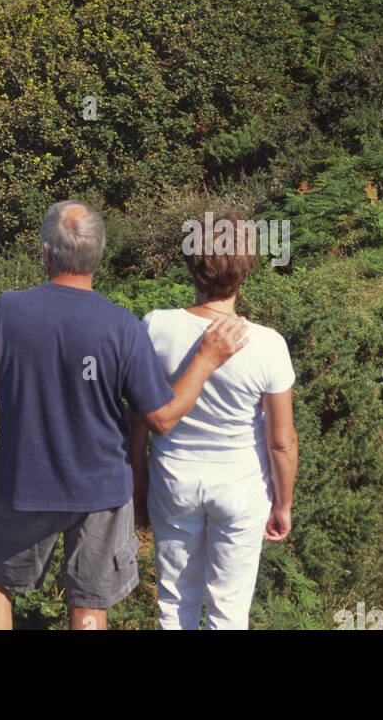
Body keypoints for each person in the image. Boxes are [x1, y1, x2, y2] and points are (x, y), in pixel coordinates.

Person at [0, 199, 249, 631]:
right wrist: (207, 359)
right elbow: (163, 418)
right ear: (98, 257)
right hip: (100, 489)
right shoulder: (122, 326)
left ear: (46, 253)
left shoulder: (7, 310)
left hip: (23, 480)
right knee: (89, 602)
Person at [129, 209, 297, 630]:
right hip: (241, 484)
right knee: (229, 612)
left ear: (192, 263)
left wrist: (136, 477)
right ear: (248, 269)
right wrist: (283, 502)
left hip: (173, 478)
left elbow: (135, 416)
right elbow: (281, 442)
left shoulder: (155, 327)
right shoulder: (268, 344)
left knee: (174, 603)